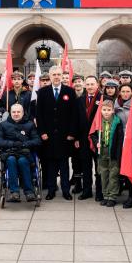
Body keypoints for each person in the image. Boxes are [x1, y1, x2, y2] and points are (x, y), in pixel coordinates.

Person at [35, 66, 77, 200]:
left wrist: (71, 132)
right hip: (49, 136)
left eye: (59, 74)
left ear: (62, 75)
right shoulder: (42, 92)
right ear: (50, 76)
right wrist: (42, 132)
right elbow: (39, 114)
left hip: (65, 136)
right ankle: (51, 190)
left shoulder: (69, 91)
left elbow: (73, 114)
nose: (57, 77)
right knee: (51, 164)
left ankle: (66, 191)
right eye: (54, 75)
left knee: (64, 164)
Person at [0, 103, 41, 202]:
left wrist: (24, 144)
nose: (16, 114)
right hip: (9, 152)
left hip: (25, 153)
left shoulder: (30, 125)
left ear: (23, 113)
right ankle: (14, 192)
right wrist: (12, 143)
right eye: (14, 112)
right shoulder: (3, 125)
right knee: (11, 160)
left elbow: (37, 141)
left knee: (22, 161)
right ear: (10, 113)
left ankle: (29, 192)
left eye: (18, 112)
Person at [90, 99, 124, 207]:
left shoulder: (117, 122)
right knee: (103, 173)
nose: (106, 112)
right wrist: (96, 143)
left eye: (109, 110)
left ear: (113, 110)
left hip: (113, 151)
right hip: (102, 151)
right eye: (104, 109)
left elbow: (119, 140)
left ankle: (112, 196)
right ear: (100, 110)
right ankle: (105, 195)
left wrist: (118, 155)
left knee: (113, 174)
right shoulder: (98, 122)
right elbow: (93, 135)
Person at [76, 76, 102, 200]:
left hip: (98, 138)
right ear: (85, 86)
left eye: (92, 84)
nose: (90, 87)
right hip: (83, 138)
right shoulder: (80, 100)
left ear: (97, 85)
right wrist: (76, 138)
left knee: (99, 167)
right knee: (86, 167)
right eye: (88, 84)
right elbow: (76, 120)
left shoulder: (102, 99)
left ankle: (99, 192)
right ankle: (87, 191)